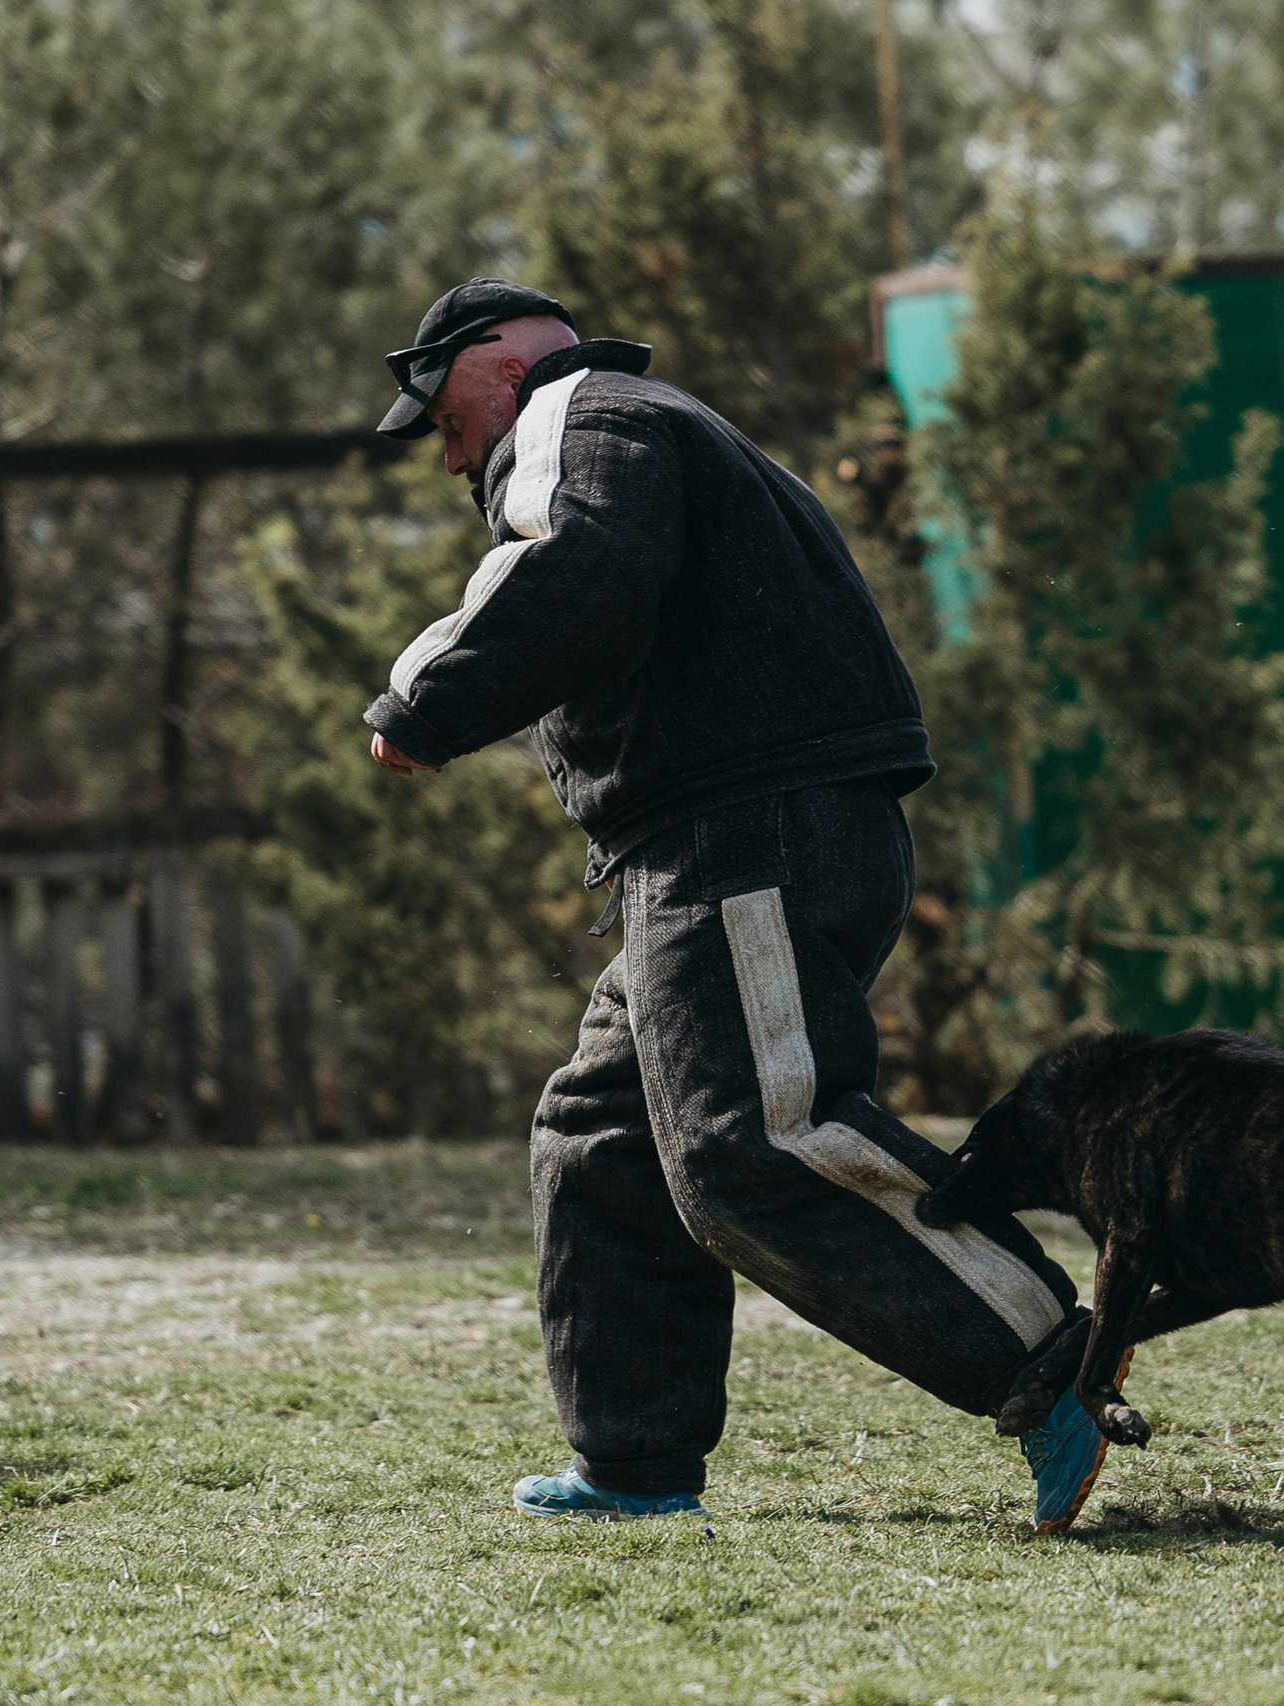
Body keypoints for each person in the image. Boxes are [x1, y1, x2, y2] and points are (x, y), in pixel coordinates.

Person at [363, 279, 1113, 1530]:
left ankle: (1053, 1362)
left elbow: (574, 562)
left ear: (494, 362)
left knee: (751, 1141)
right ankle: (635, 1463)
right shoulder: (655, 426)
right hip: (731, 842)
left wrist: (419, 707)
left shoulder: (578, 411)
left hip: (743, 835)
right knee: (604, 1128)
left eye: (440, 418)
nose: (448, 455)